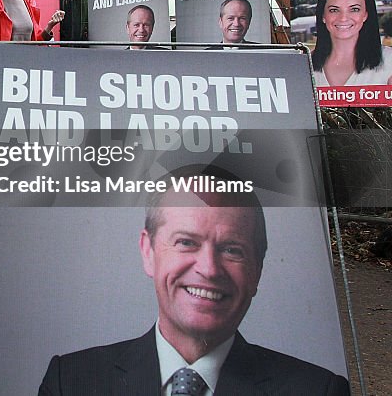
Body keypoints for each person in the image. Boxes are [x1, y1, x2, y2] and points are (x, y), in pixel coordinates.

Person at [38, 166, 351, 396]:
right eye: (186, 242)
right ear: (148, 251)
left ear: (258, 269)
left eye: (232, 250)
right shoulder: (71, 381)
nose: (209, 269)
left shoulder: (319, 390)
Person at [311, 0, 392, 86]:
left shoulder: (389, 60)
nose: (343, 18)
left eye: (354, 9)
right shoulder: (304, 64)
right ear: (323, 16)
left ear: (365, 15)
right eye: (334, 10)